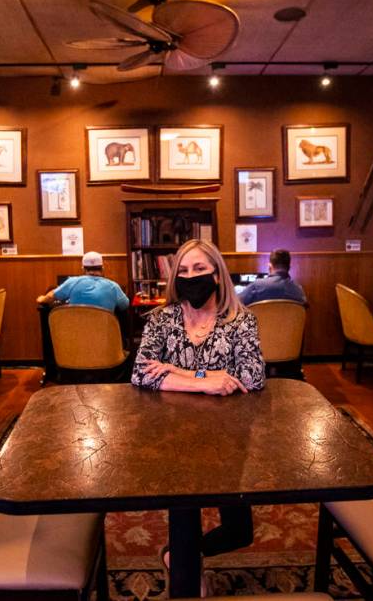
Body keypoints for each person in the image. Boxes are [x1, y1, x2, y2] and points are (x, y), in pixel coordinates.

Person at [131, 239, 265, 583]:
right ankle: (185, 564)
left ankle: (182, 555)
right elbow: (141, 372)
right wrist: (204, 381)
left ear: (217, 275)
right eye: (184, 271)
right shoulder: (162, 319)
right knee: (185, 518)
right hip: (173, 436)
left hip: (229, 440)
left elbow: (252, 376)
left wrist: (177, 372)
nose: (192, 277)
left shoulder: (240, 321)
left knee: (240, 532)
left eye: (200, 269)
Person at [36, 251, 129, 313]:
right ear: (102, 268)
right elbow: (125, 305)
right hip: (105, 338)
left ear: (83, 269)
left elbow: (50, 297)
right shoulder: (113, 286)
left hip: (76, 337)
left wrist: (42, 298)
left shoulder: (72, 282)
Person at [237, 248, 307, 306]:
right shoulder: (298, 290)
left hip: (261, 323)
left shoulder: (257, 285)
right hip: (290, 323)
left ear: (270, 267)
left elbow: (237, 303)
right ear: (289, 268)